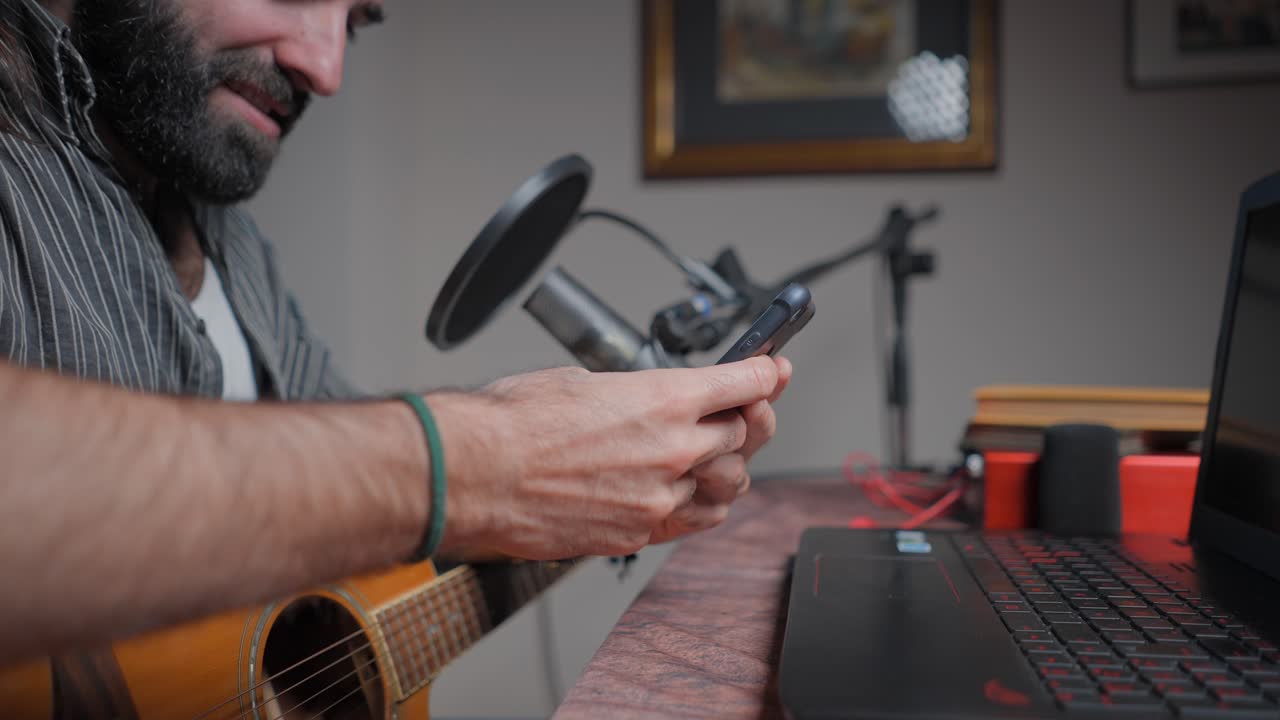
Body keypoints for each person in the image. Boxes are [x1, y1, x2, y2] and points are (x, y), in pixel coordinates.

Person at [0, 0, 793, 666]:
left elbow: (361, 513)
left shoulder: (227, 237)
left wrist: (608, 482)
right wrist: (489, 459)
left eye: (358, 21)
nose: (327, 68)